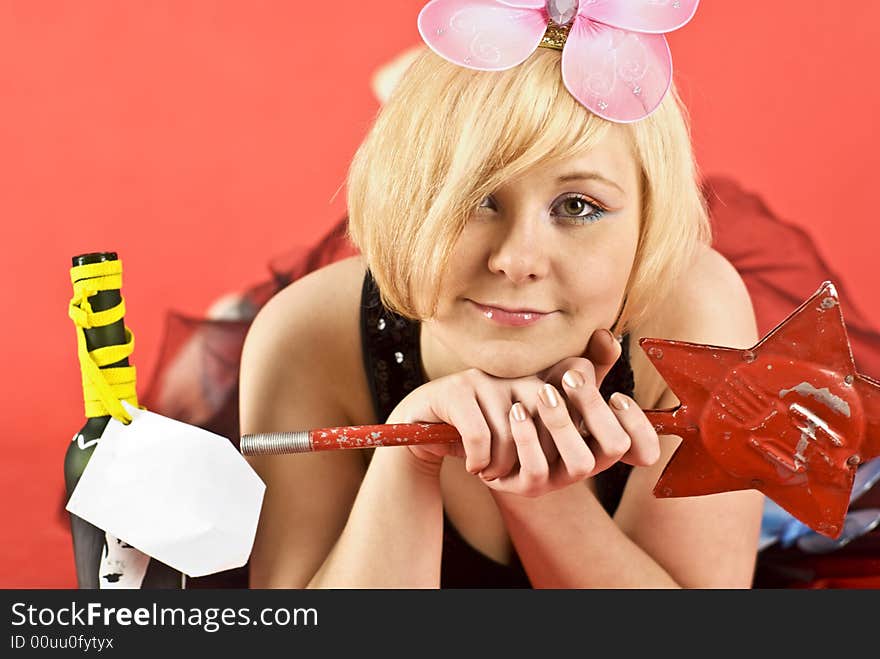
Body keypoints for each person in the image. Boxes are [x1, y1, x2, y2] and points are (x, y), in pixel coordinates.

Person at [237, 2, 767, 588]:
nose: (515, 260)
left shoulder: (696, 320)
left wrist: (538, 493)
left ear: (647, 224)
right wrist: (409, 453)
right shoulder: (307, 337)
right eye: (475, 199)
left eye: (578, 207)